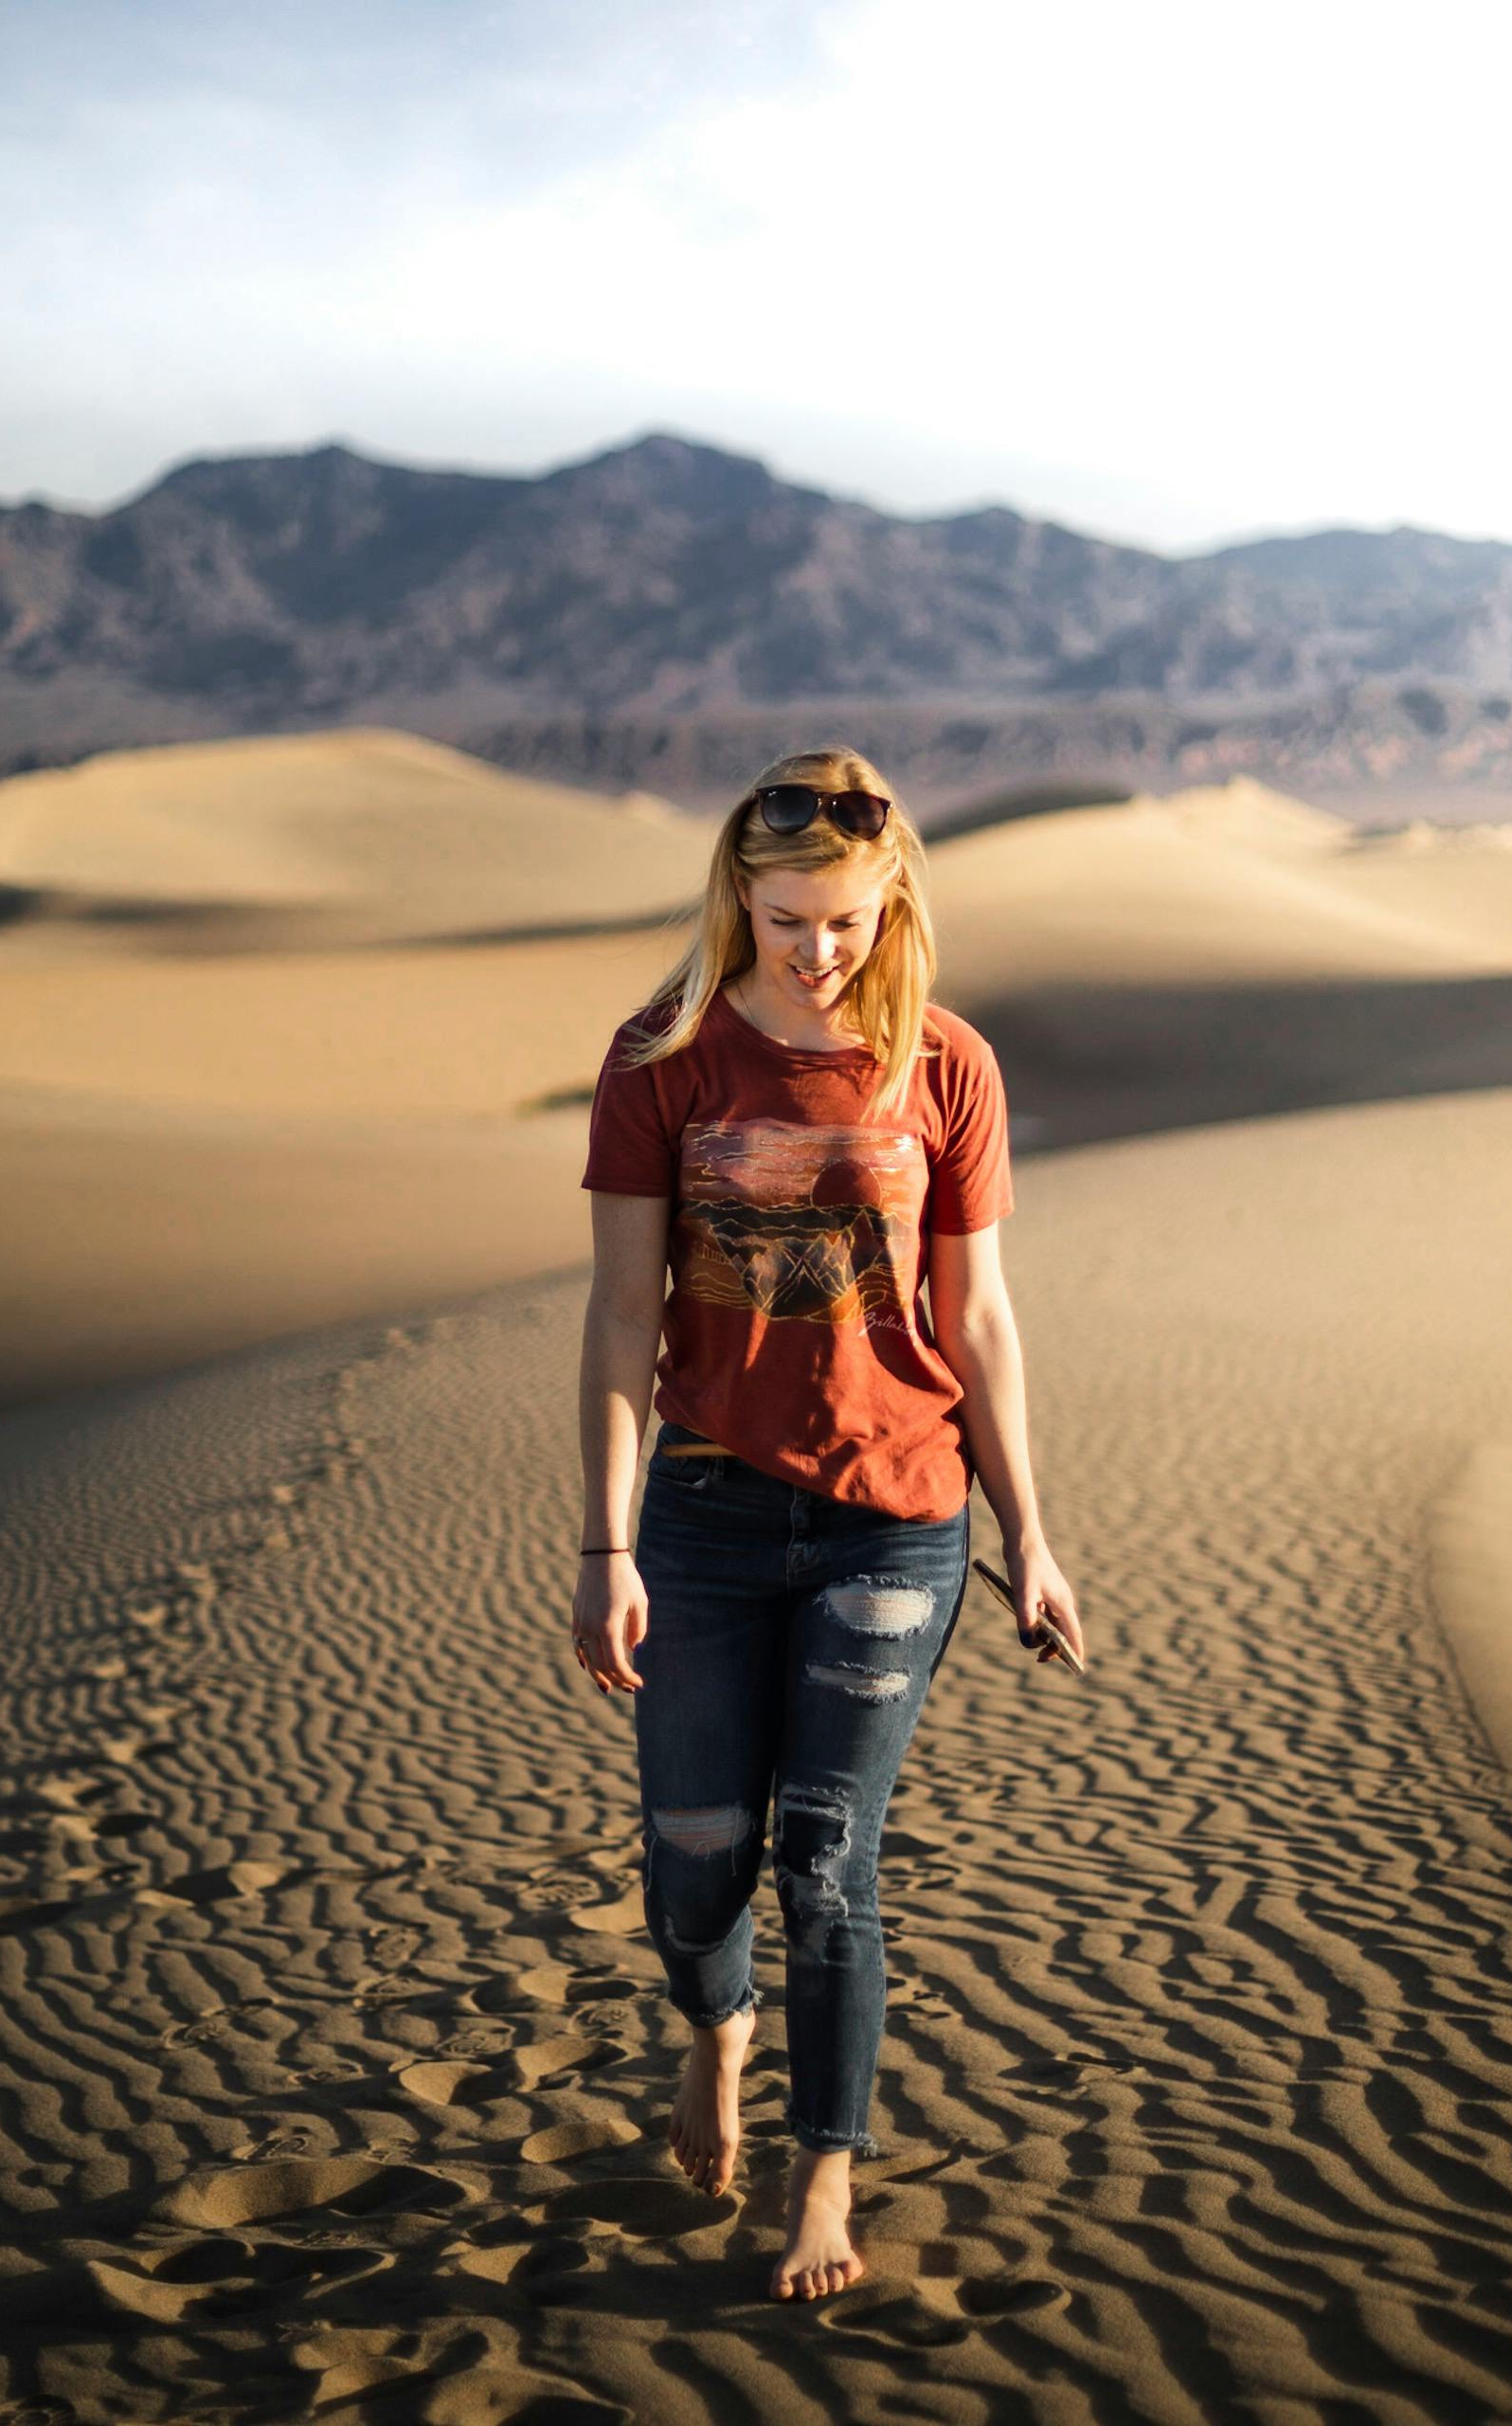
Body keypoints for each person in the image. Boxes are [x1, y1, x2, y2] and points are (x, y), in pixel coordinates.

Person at [572, 743, 1086, 2304]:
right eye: (789, 917)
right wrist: (603, 1545)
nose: (818, 949)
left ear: (892, 899)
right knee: (691, 1866)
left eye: (847, 919)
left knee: (825, 1858)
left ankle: (825, 2174)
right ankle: (714, 2032)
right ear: (739, 895)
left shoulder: (948, 1066)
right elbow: (616, 1315)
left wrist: (1034, 1535)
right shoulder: (661, 1056)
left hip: (897, 1521)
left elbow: (979, 1321)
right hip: (709, 1516)